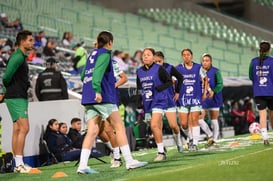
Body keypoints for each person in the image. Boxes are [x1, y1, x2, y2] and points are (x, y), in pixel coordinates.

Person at [77, 31, 147, 174]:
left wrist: (91, 90)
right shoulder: (105, 54)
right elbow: (97, 73)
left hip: (88, 98)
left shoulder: (91, 55)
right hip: (102, 97)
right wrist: (97, 90)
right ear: (110, 42)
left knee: (92, 131)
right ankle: (129, 161)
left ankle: (82, 165)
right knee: (119, 127)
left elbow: (83, 75)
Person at [1, 30, 34, 173]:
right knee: (24, 128)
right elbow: (6, 76)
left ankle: (17, 164)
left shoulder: (20, 56)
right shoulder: (18, 57)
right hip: (16, 96)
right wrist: (5, 90)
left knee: (17, 129)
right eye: (30, 40)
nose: (32, 43)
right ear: (22, 41)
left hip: (16, 96)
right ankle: (19, 164)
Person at [136, 48, 173, 161]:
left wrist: (159, 88)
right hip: (147, 102)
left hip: (159, 100)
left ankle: (161, 153)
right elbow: (139, 87)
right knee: (154, 126)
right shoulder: (139, 71)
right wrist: (139, 101)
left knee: (154, 125)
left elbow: (169, 81)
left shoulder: (159, 68)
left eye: (148, 55)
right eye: (144, 55)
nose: (145, 57)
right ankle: (162, 147)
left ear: (153, 57)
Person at [176, 48, 207, 151]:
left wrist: (204, 92)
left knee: (194, 120)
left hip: (195, 97)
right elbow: (173, 81)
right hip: (183, 99)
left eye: (188, 54)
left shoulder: (198, 67)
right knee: (184, 124)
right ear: (182, 57)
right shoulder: (178, 68)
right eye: (184, 55)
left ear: (191, 56)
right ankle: (190, 137)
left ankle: (195, 143)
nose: (186, 56)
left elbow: (205, 79)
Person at [154, 51, 184, 153]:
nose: (157, 63)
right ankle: (161, 148)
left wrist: (177, 92)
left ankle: (179, 143)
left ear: (163, 60)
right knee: (156, 126)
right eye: (155, 61)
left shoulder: (169, 68)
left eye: (159, 61)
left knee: (173, 126)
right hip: (156, 102)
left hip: (168, 100)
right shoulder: (150, 70)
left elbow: (180, 77)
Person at [249, 41, 273, 145]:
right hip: (271, 91)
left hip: (258, 92)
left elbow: (251, 76)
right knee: (272, 115)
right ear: (269, 50)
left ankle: (265, 138)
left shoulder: (253, 61)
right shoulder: (272, 61)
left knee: (262, 115)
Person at [199, 53, 223, 145]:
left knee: (213, 119)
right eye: (203, 61)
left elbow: (220, 84)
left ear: (211, 62)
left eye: (207, 61)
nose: (205, 62)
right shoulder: (198, 71)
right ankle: (210, 134)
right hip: (203, 98)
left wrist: (213, 91)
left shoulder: (216, 71)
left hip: (214, 98)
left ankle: (215, 139)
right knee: (199, 119)